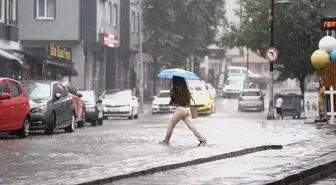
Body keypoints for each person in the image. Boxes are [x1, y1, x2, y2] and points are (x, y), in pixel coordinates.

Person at [160, 76, 207, 146]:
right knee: (192, 126)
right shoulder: (186, 89)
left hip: (180, 110)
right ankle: (202, 139)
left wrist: (171, 91)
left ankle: (166, 141)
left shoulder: (175, 89)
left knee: (171, 124)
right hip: (188, 110)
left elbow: (172, 98)